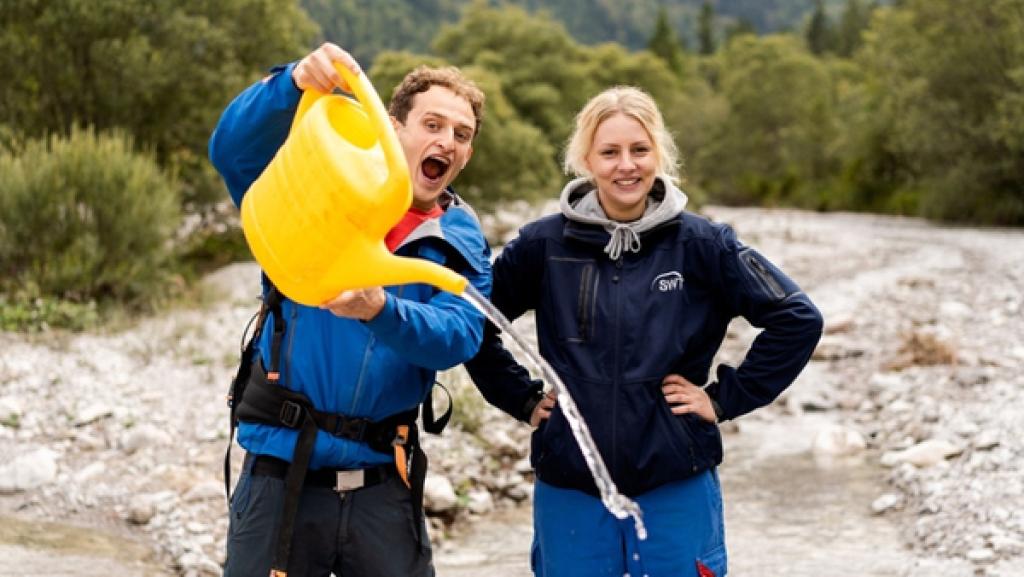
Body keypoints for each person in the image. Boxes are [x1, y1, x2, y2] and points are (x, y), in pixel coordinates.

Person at [465, 86, 823, 577]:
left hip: (675, 483)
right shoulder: (542, 245)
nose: (626, 165)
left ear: (659, 153)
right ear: (586, 159)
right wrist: (521, 399)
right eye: (609, 152)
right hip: (571, 486)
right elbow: (472, 320)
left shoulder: (704, 244)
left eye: (639, 150)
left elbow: (797, 318)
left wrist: (722, 400)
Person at [209, 42, 491, 577]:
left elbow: (461, 336)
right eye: (432, 124)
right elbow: (232, 153)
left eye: (461, 135)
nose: (446, 143)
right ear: (392, 128)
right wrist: (291, 83)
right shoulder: (317, 188)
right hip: (281, 479)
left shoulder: (462, 237)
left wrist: (380, 309)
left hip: (384, 485)